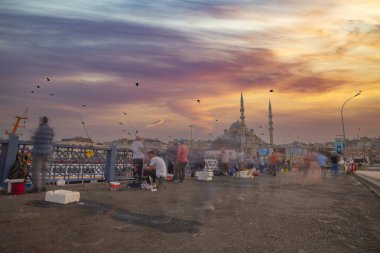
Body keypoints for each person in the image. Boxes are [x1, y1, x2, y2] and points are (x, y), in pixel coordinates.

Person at [31, 116, 54, 192]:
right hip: (47, 152)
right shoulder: (50, 130)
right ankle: (44, 186)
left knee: (36, 169)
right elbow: (51, 139)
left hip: (38, 151)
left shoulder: (39, 129)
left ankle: (36, 187)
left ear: (42, 121)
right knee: (45, 170)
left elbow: (35, 139)